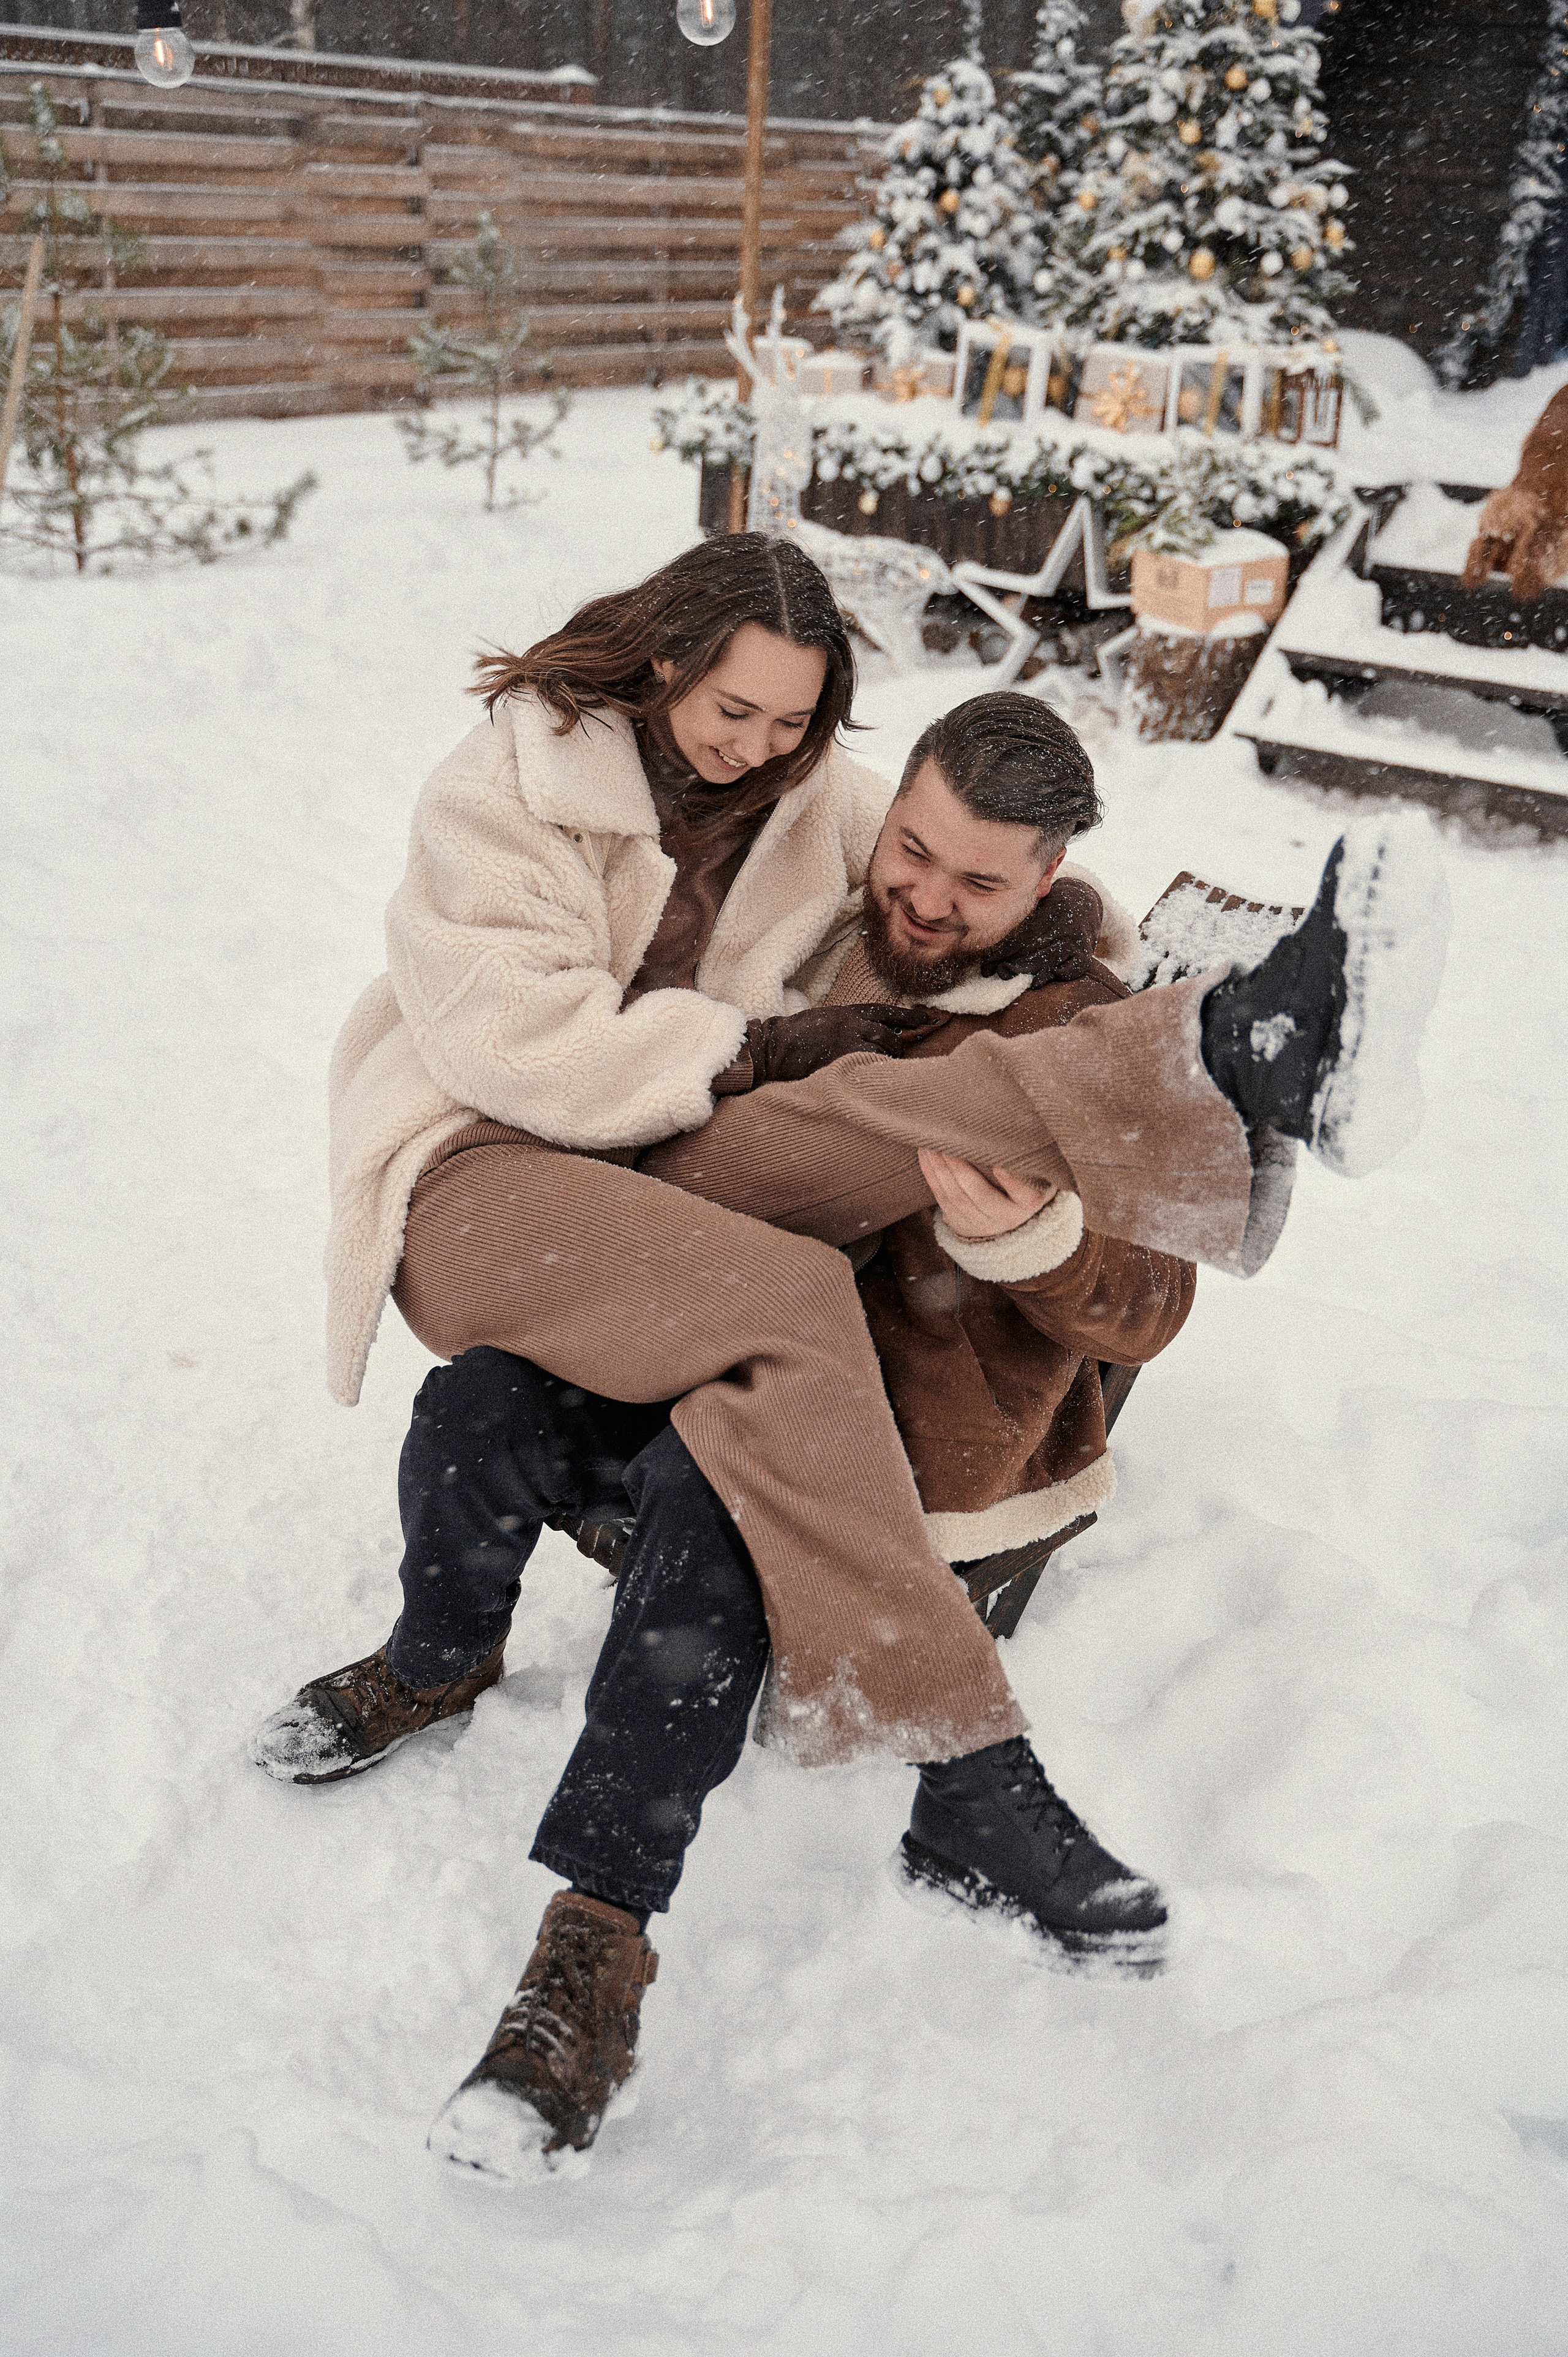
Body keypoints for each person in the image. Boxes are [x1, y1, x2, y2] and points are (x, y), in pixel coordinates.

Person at [254, 535, 1450, 2174]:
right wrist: (771, 1037)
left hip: (744, 1310)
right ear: (668, 662)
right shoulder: (551, 803)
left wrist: (1025, 1221)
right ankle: (954, 1766)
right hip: (503, 1166)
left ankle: (595, 1966)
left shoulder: (1020, 977)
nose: (921, 897)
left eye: (793, 726)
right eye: (737, 710)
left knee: (735, 1358)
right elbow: (545, 1045)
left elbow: (1141, 1301)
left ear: (1043, 890)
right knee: (664, 1315)